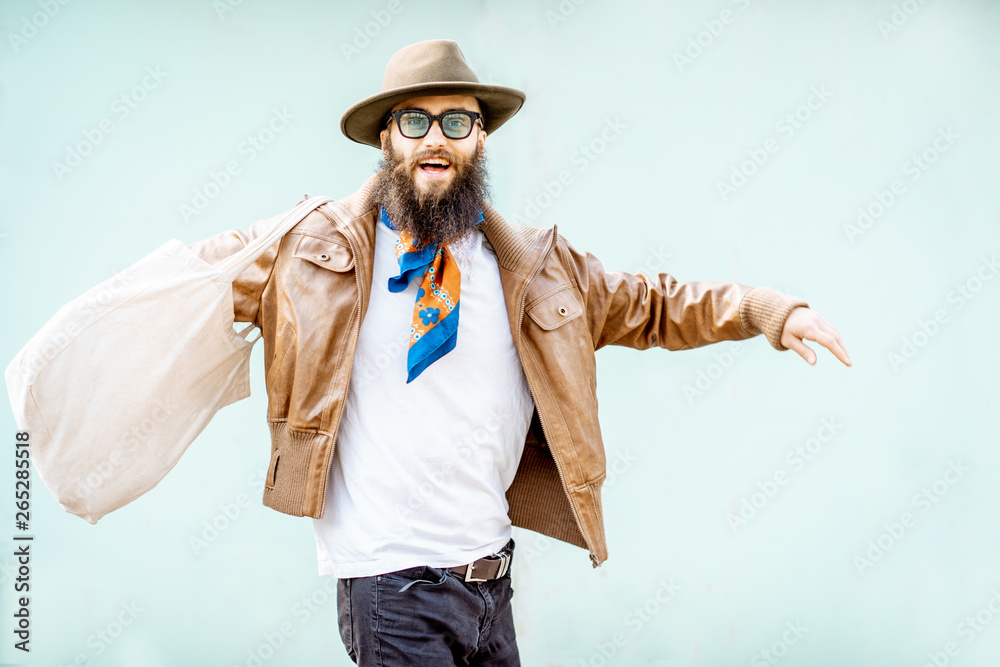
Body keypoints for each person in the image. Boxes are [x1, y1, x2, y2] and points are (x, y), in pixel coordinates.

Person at [187, 38, 851, 666]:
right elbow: (199, 285)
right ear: (387, 139)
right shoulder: (314, 251)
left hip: (489, 581)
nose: (436, 138)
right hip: (390, 587)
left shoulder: (536, 266)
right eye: (415, 121)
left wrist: (769, 311)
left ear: (480, 138)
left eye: (457, 121)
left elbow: (652, 303)